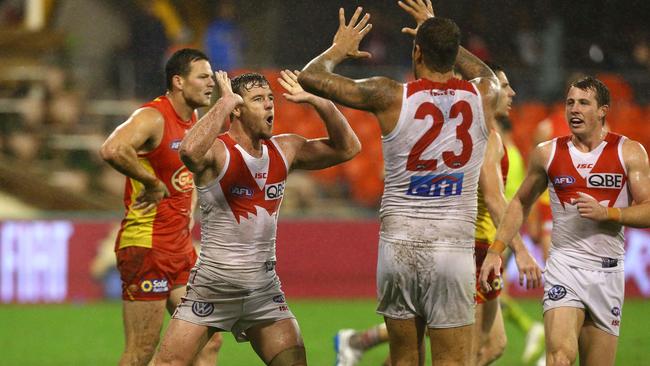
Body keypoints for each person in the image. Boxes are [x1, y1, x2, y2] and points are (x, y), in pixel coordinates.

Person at [299, 2, 541, 364]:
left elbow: (310, 78)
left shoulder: (389, 95)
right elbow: (488, 74)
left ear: (417, 51)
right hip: (451, 250)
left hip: (398, 249)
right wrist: (435, 30)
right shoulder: (481, 96)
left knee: (404, 359)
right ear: (452, 54)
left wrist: (338, 49)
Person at [153, 69, 361, 366]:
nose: (269, 106)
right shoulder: (219, 151)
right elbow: (188, 152)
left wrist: (320, 102)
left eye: (270, 99)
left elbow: (349, 148)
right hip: (213, 287)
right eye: (258, 99)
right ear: (237, 108)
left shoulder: (285, 149)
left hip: (263, 290)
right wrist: (223, 103)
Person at [480, 76, 650, 366]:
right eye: (570, 102)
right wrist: (496, 250)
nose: (574, 109)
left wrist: (609, 213)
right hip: (564, 267)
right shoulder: (548, 153)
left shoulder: (629, 152)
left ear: (602, 111)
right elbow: (520, 201)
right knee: (559, 357)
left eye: (584, 103)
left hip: (608, 272)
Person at [100, 48, 222, 366]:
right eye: (203, 77)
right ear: (179, 81)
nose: (211, 83)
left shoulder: (193, 119)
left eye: (212, 76)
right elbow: (113, 149)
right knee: (142, 350)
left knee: (208, 340)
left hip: (180, 248)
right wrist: (152, 183)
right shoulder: (153, 117)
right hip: (147, 247)